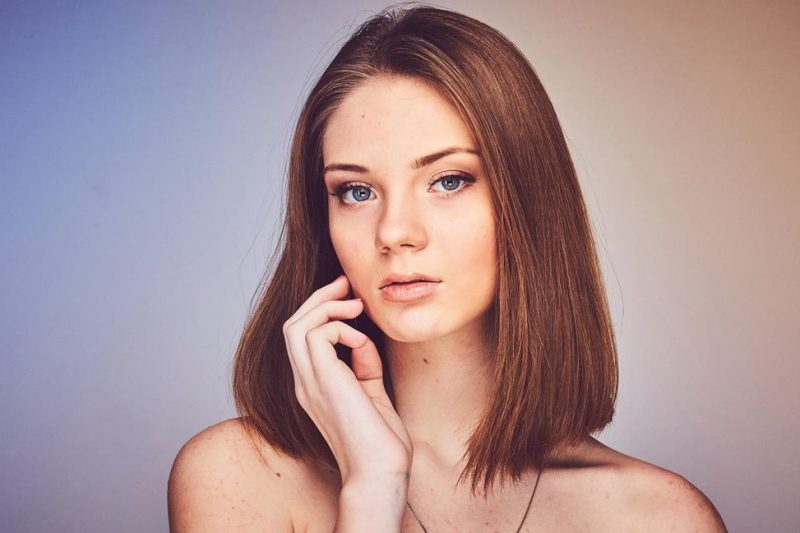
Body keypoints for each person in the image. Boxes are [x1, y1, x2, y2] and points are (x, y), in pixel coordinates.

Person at [167, 4, 727, 531]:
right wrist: (370, 491)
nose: (394, 233)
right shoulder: (236, 476)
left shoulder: (657, 516)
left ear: (527, 203)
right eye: (357, 191)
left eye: (448, 181)